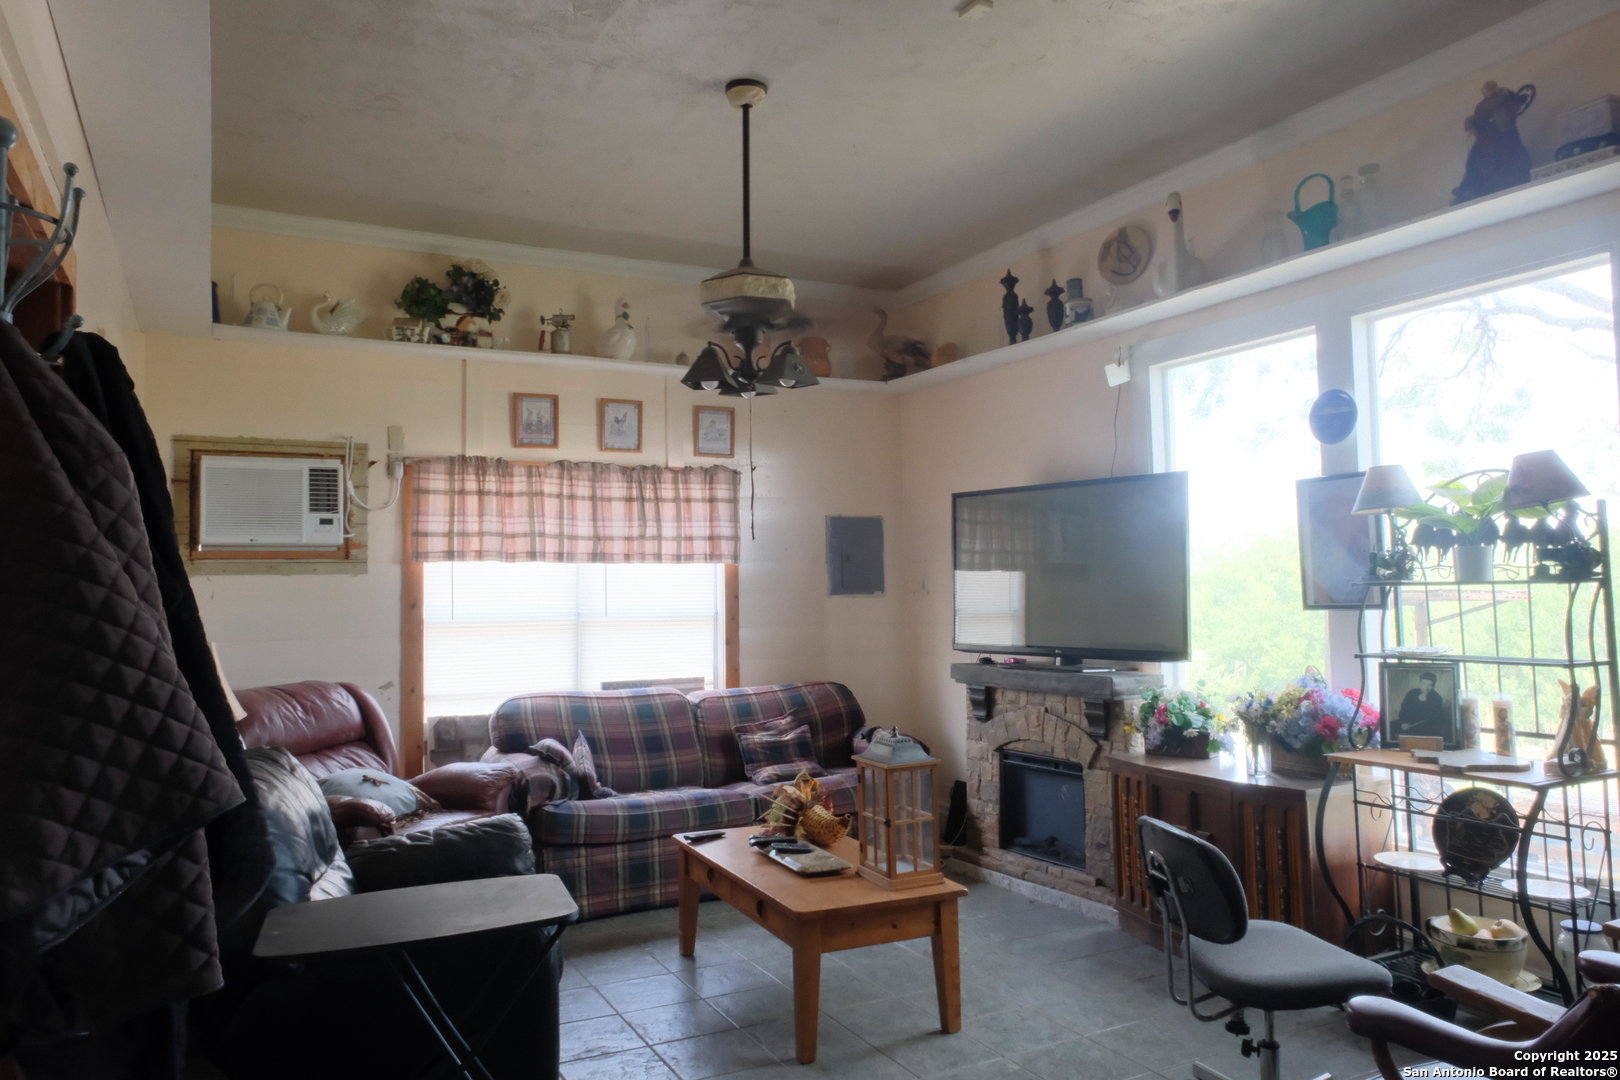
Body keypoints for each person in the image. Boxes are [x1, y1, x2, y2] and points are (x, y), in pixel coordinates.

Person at [1395, 672, 1450, 740]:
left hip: (1426, 727)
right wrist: (1404, 723)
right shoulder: (1412, 693)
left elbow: (1430, 718)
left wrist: (1424, 703)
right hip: (1408, 722)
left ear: (1433, 686)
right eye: (1423, 684)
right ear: (1420, 684)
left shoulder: (1437, 698)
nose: (1426, 688)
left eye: (1429, 685)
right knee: (1391, 726)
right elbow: (1404, 710)